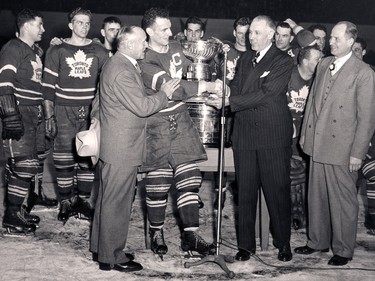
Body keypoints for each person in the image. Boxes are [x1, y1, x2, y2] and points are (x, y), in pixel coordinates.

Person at [90, 25, 180, 272]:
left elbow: (100, 103)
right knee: (117, 203)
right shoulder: (122, 69)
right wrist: (164, 94)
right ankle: (112, 257)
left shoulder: (119, 64)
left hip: (116, 144)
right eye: (142, 41)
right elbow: (141, 107)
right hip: (122, 148)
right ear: (129, 44)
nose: (146, 45)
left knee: (108, 199)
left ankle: (101, 248)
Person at [210, 15, 294, 262]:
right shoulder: (246, 58)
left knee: (276, 192)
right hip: (245, 136)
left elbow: (267, 94)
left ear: (270, 34)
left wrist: (231, 102)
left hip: (271, 137)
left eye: (256, 33)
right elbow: (237, 87)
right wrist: (224, 92)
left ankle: (283, 243)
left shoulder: (282, 60)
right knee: (245, 193)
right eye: (250, 33)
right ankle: (246, 246)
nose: (251, 37)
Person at [140, 7, 222, 259]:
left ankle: (191, 236)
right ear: (149, 31)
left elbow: (198, 64)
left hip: (183, 122)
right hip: (157, 124)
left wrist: (218, 51)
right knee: (158, 183)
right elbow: (173, 90)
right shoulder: (145, 59)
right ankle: (156, 232)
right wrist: (205, 85)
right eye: (163, 29)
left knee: (190, 178)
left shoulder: (177, 47)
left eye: (169, 28)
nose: (170, 32)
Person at [295, 21, 375, 266]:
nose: (331, 42)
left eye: (337, 39)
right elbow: (311, 103)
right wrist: (304, 134)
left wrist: (357, 154)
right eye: (331, 38)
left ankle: (343, 249)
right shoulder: (323, 64)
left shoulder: (364, 72)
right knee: (316, 196)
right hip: (317, 143)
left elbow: (367, 118)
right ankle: (317, 241)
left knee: (343, 201)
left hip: (343, 148)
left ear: (351, 41)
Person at [42, 7, 108, 223]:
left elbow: (106, 85)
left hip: (90, 109)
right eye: (79, 22)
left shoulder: (99, 50)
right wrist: (49, 116)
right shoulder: (56, 50)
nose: (84, 27)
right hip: (63, 109)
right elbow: (48, 88)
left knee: (87, 156)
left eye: (87, 23)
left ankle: (82, 200)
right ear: (71, 25)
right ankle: (65, 200)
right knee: (63, 157)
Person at [0, 9, 47, 234]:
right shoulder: (12, 48)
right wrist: (10, 115)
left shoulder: (34, 51)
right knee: (22, 164)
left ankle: (17, 210)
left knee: (30, 164)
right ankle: (11, 215)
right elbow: (4, 84)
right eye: (39, 25)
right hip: (20, 111)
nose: (43, 29)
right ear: (27, 26)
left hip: (34, 111)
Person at [286, 45, 322, 230]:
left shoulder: (319, 80)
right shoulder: (287, 75)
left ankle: (306, 212)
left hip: (308, 135)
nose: (320, 62)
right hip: (285, 134)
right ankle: (295, 213)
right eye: (317, 59)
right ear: (305, 61)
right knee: (294, 171)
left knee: (310, 173)